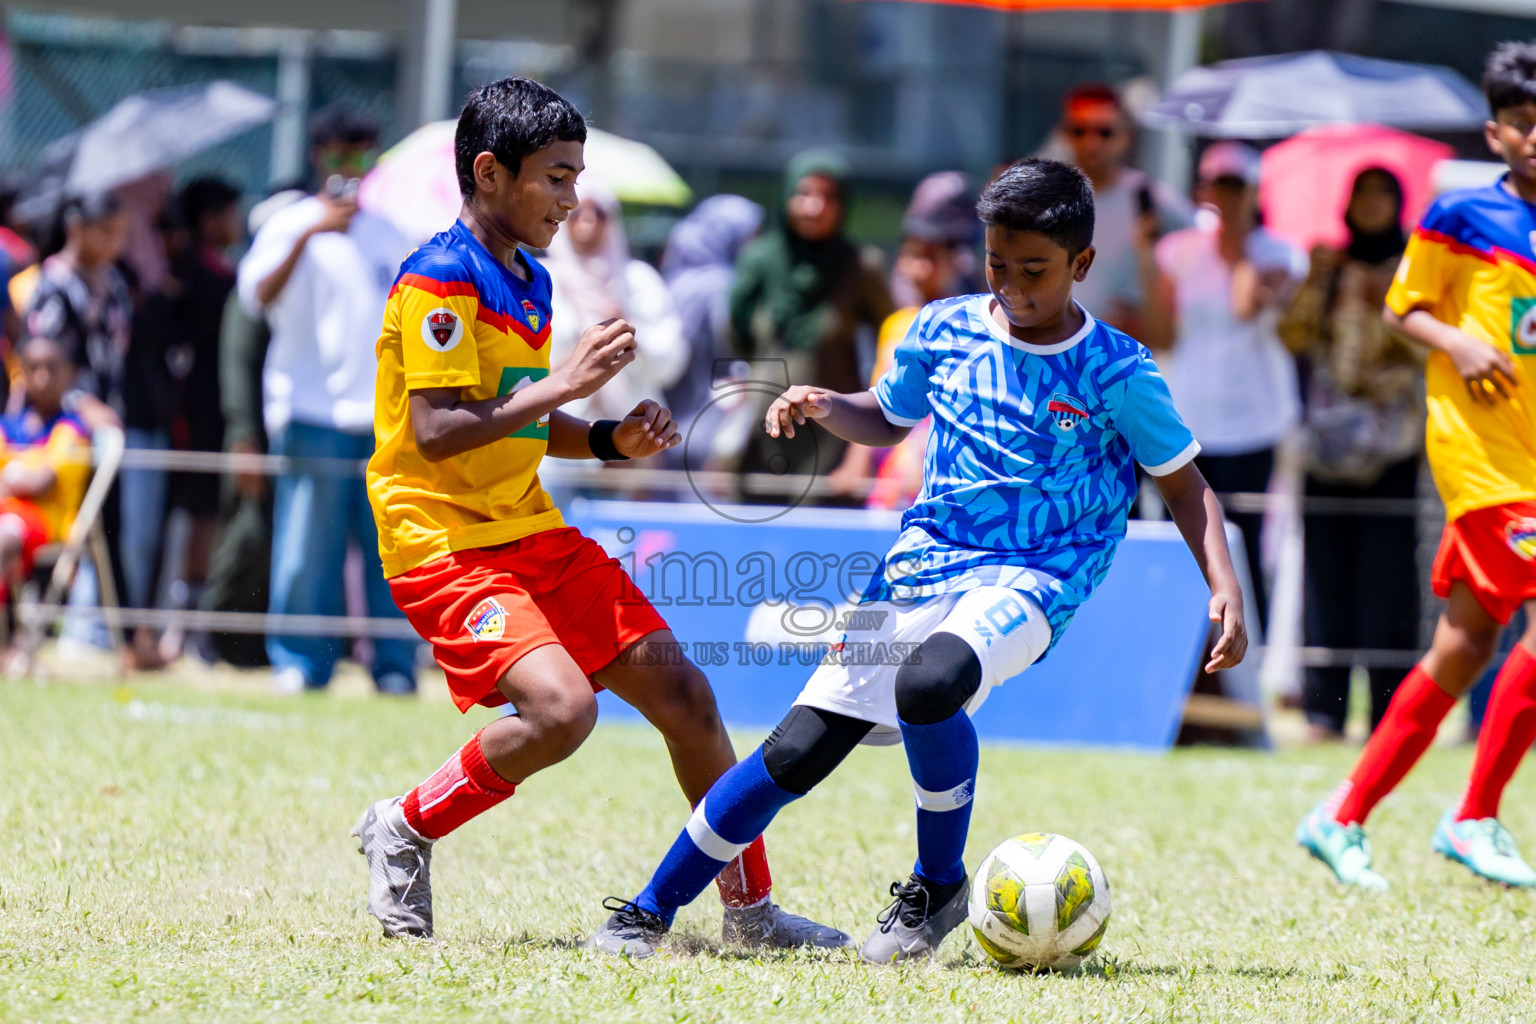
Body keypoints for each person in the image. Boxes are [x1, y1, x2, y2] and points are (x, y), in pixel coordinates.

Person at [591, 159, 1247, 962]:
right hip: (920, 563)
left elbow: (1186, 486)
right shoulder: (941, 328)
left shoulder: (1119, 369)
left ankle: (937, 884)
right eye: (998, 264)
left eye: (1034, 271)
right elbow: (887, 417)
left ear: (1081, 264)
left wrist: (1224, 585)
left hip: (1037, 574)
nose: (1011, 285)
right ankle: (649, 911)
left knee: (931, 683)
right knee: (796, 749)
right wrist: (832, 407)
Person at [349, 77, 845, 951]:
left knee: (688, 697)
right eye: (555, 177)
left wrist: (612, 438)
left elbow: (524, 422)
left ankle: (750, 910)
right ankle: (405, 826)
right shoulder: (438, 276)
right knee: (562, 712)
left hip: (530, 528)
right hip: (443, 544)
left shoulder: (531, 278)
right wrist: (566, 383)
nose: (573, 200)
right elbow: (438, 432)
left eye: (577, 177)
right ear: (490, 173)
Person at [1295, 41, 1536, 890]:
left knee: (1465, 647)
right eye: (1521, 124)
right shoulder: (1465, 217)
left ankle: (1342, 813)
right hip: (1485, 463)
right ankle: (1474, 816)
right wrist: (1459, 341)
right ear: (1494, 133)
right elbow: (1404, 306)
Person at [236, 104, 417, 696]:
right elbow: (254, 298)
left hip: (386, 418)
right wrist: (313, 233)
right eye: (340, 156)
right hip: (308, 409)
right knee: (304, 551)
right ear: (319, 158)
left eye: (362, 156)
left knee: (391, 550)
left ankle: (394, 666)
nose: (351, 169)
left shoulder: (392, 231)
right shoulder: (288, 223)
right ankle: (299, 662)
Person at [1278, 168, 1424, 742]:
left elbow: (1424, 348)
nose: (1371, 206)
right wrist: (1321, 284)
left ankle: (1390, 713)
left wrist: (1384, 301)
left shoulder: (1414, 268)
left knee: (1388, 580)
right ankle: (1324, 711)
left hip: (1392, 446)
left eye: (1382, 195)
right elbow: (1292, 334)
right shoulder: (1331, 264)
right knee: (1324, 573)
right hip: (1327, 447)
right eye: (1361, 194)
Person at [1145, 142, 1306, 634]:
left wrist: (1237, 241)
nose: (1225, 195)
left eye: (1237, 185)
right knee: (1187, 546)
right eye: (1218, 184)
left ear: (1255, 192)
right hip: (1190, 421)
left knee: (1246, 546)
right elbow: (1162, 333)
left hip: (1254, 425)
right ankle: (1190, 664)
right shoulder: (1177, 252)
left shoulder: (1283, 254)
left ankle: (1248, 665)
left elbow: (1245, 306)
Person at [729, 151, 893, 497]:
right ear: (787, 196)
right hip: (762, 440)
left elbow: (894, 339)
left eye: (828, 197)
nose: (814, 207)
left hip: (833, 444)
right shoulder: (759, 261)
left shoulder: (860, 267)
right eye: (804, 194)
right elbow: (736, 334)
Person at [546, 181, 688, 426]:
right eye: (578, 213)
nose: (588, 221)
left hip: (635, 428)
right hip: (561, 432)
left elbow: (672, 360)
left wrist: (629, 329)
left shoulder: (638, 279)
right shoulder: (541, 279)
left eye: (599, 213)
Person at [1056, 83, 1192, 334]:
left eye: (1104, 132)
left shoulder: (1148, 197)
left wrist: (1157, 309)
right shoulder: (1048, 199)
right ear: (1064, 135)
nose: (1091, 142)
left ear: (1126, 137)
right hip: (1054, 354)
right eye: (1079, 130)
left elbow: (1203, 251)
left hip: (1119, 359)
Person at [0, 335, 93, 625]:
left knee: (5, 539)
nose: (42, 378)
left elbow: (42, 482)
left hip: (46, 521)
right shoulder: (9, 426)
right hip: (9, 512)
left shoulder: (72, 429)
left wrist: (12, 474)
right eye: (34, 368)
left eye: (52, 368)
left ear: (69, 373)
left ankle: (8, 636)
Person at [659, 194, 764, 431]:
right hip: (708, 420)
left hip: (667, 416)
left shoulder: (674, 279)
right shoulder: (724, 286)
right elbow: (733, 356)